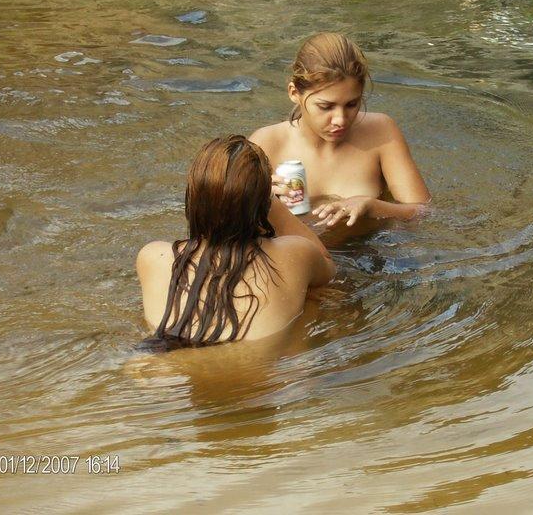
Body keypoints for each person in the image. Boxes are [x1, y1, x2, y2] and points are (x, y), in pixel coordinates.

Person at [136, 135, 336, 350]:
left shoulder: (152, 257)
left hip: (167, 372)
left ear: (192, 198)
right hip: (257, 371)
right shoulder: (296, 254)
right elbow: (328, 269)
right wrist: (273, 203)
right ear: (262, 203)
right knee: (314, 300)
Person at [249, 32, 431, 229]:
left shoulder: (381, 132)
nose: (340, 120)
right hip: (297, 254)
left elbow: (423, 212)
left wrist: (372, 207)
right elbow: (230, 226)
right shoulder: (266, 144)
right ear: (294, 93)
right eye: (326, 107)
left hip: (368, 251)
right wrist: (265, 204)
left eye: (352, 104)